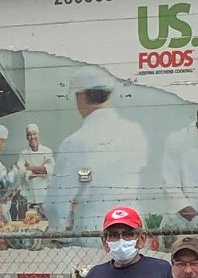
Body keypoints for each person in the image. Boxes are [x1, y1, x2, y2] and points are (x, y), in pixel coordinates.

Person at [54, 65, 148, 236]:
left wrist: (60, 227)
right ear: (109, 94)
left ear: (80, 96)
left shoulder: (75, 142)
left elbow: (60, 200)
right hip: (132, 222)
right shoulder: (135, 132)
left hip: (95, 226)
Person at [14, 123, 55, 208]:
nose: (32, 137)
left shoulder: (47, 151)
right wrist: (42, 170)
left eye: (34, 134)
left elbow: (50, 170)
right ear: (26, 137)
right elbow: (21, 173)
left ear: (38, 135)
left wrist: (29, 168)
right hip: (29, 197)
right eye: (29, 135)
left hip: (45, 195)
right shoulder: (23, 154)